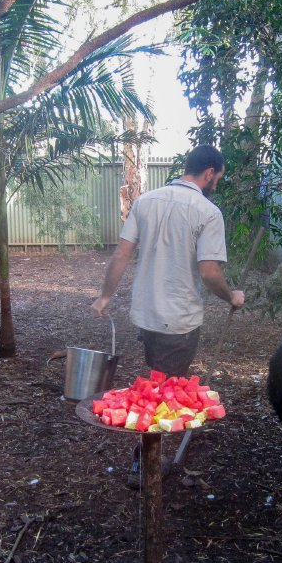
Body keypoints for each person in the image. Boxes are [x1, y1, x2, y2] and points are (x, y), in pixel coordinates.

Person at [91, 144, 245, 487]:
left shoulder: (146, 202)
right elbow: (209, 272)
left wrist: (105, 296)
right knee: (163, 393)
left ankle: (151, 453)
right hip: (178, 320)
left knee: (159, 381)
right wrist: (231, 295)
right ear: (208, 173)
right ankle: (143, 463)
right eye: (217, 178)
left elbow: (121, 254)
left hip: (146, 315)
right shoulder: (207, 212)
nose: (216, 184)